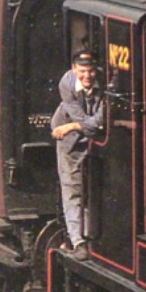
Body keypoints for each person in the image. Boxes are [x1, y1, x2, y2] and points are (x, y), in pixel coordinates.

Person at [51, 50, 104, 260]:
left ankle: (95, 235)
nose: (87, 76)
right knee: (73, 191)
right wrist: (86, 126)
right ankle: (78, 242)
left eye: (91, 71)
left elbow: (101, 120)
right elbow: (85, 119)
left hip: (81, 132)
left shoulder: (106, 84)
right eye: (82, 71)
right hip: (69, 140)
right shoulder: (66, 83)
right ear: (74, 69)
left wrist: (76, 126)